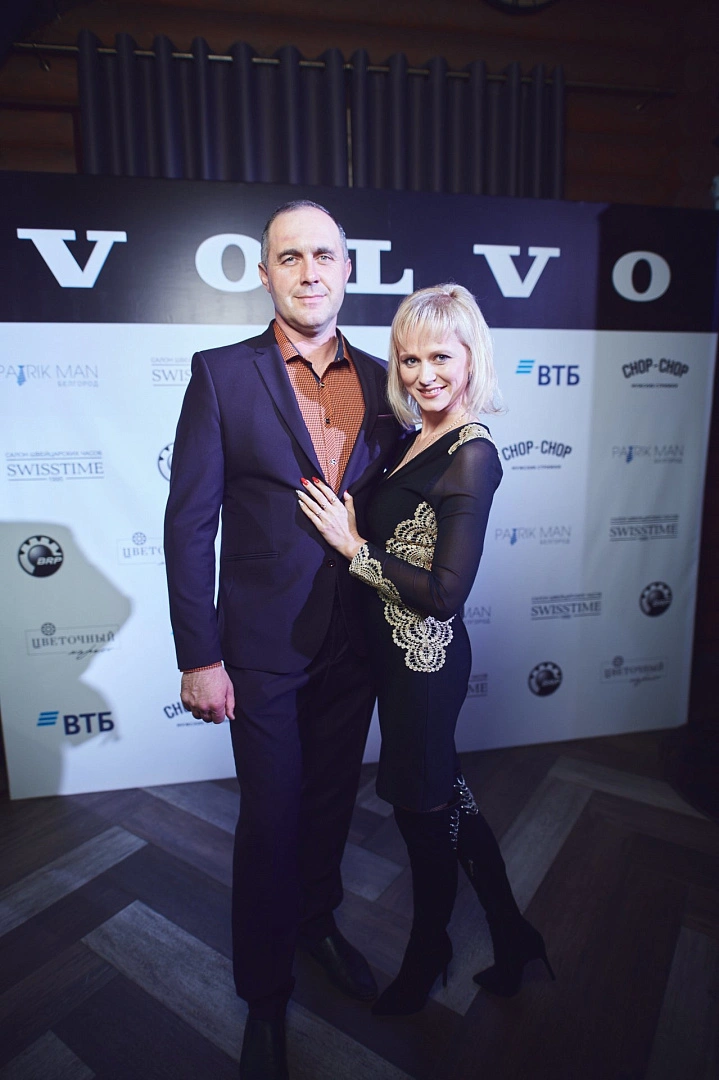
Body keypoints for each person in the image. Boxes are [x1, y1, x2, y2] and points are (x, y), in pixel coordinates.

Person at [164, 200, 402, 1079]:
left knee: (333, 804)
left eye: (324, 256)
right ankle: (264, 998)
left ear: (347, 269)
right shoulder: (222, 375)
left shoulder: (385, 379)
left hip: (355, 643)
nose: (309, 272)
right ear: (264, 273)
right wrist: (199, 655)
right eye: (290, 257)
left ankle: (317, 925)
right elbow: (188, 524)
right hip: (260, 648)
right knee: (270, 821)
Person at [298, 283, 554, 1016]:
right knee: (451, 799)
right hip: (390, 657)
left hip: (424, 664)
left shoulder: (473, 454)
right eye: (409, 359)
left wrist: (352, 546)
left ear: (472, 358)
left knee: (422, 816)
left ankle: (426, 953)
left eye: (440, 356)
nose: (422, 374)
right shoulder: (414, 435)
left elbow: (444, 593)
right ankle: (513, 936)